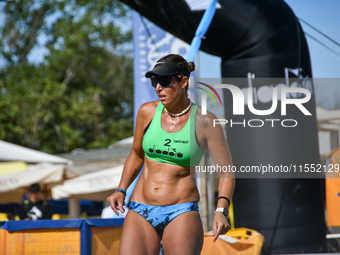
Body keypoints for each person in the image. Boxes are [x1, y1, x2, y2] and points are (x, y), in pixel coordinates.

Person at [107, 54, 235, 255]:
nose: (158, 87)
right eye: (154, 81)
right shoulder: (147, 112)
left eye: (165, 81)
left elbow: (226, 173)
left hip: (180, 211)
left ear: (183, 81)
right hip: (140, 208)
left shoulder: (206, 121)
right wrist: (121, 190)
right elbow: (136, 155)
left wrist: (221, 211)